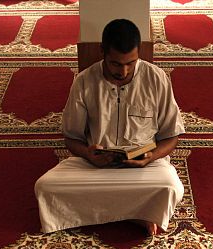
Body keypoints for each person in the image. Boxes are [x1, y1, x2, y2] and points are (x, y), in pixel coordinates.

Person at [34, 18, 185, 236]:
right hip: (96, 167)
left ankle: (103, 213)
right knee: (45, 187)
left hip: (143, 169)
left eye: (130, 63)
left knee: (170, 187)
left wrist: (150, 157)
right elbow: (71, 137)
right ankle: (138, 214)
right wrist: (88, 153)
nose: (123, 72)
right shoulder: (84, 82)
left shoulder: (156, 78)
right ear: (102, 51)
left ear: (138, 53)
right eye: (116, 63)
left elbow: (171, 136)